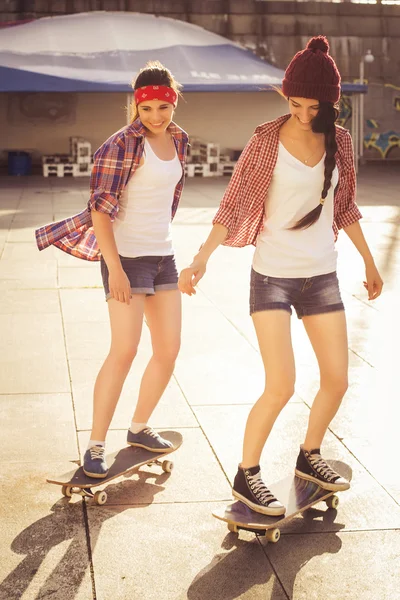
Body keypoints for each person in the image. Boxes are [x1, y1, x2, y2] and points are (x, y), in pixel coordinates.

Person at [178, 36, 383, 516]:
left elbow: (345, 206)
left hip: (322, 275)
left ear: (329, 103)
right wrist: (201, 257)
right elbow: (233, 205)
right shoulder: (265, 140)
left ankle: (309, 456)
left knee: (336, 379)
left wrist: (370, 262)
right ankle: (247, 474)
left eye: (314, 106)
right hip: (272, 275)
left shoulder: (342, 141)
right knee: (282, 384)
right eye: (296, 104)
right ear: (284, 96)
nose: (305, 114)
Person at [36, 61, 189, 478]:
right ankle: (95, 444)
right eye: (147, 109)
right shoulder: (119, 146)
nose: (156, 116)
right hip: (127, 258)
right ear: (135, 108)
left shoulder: (180, 140)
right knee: (124, 350)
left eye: (163, 106)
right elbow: (99, 214)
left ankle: (138, 428)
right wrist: (115, 268)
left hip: (163, 257)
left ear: (173, 102)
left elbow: (166, 198)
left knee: (169, 350)